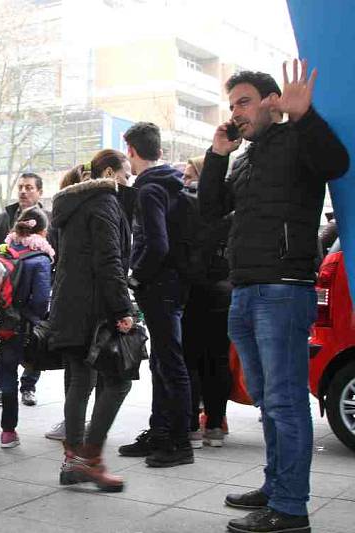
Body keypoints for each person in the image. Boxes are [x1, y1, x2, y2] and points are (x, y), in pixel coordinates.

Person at [200, 61, 349, 533]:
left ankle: (290, 508)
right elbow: (209, 209)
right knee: (268, 399)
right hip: (246, 289)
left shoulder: (298, 139)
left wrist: (304, 116)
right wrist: (218, 155)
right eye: (232, 106)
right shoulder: (245, 157)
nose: (236, 113)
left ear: (271, 102)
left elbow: (336, 165)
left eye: (244, 102)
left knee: (284, 401)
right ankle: (275, 486)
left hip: (283, 289)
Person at [48, 149, 135, 491]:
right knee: (118, 381)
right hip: (95, 309)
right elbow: (109, 260)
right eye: (126, 176)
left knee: (80, 382)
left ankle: (73, 460)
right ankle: (90, 459)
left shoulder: (72, 205)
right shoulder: (104, 202)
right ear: (111, 173)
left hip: (69, 308)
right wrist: (122, 308)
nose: (128, 183)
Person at [118, 122, 194, 468]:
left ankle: (178, 442)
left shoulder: (149, 190)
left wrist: (137, 277)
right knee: (165, 363)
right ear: (159, 150)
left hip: (160, 286)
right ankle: (160, 433)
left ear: (131, 151)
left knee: (170, 364)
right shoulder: (170, 184)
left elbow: (157, 243)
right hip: (174, 284)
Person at [0, 207, 53, 448]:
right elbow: (41, 300)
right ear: (44, 231)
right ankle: (8, 433)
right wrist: (33, 318)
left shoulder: (0, 252)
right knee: (9, 376)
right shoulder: (40, 259)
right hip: (15, 326)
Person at [178, 154, 233, 449]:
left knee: (192, 360)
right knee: (217, 360)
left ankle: (191, 426)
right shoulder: (229, 210)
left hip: (198, 291)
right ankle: (214, 425)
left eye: (189, 174)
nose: (185, 180)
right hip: (225, 292)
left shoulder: (191, 207)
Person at [0, 172, 55, 407]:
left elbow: (54, 255)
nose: (23, 191)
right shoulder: (4, 217)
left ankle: (28, 387)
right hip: (6, 298)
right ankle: (1, 388)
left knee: (34, 342)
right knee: (4, 348)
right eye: (21, 187)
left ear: (40, 192)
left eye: (29, 187)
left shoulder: (49, 219)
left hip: (35, 291)